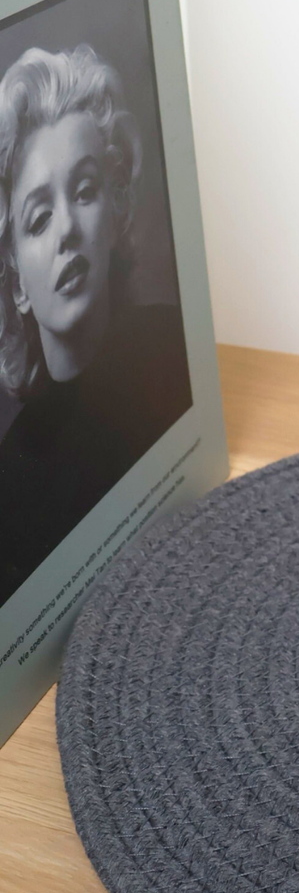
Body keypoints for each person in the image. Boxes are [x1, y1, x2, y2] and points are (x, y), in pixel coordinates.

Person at [0, 45, 191, 604]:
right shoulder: (11, 482)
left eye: (84, 192)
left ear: (115, 212)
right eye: (37, 219)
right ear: (15, 282)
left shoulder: (175, 351)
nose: (66, 231)